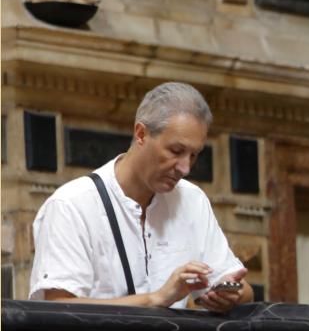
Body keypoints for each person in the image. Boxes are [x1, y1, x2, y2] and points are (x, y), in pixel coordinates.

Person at [30, 82, 252, 311]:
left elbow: (243, 289)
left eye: (194, 155)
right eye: (176, 151)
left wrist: (230, 293)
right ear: (141, 133)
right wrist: (157, 298)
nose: (185, 168)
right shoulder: (71, 205)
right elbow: (57, 308)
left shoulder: (193, 200)